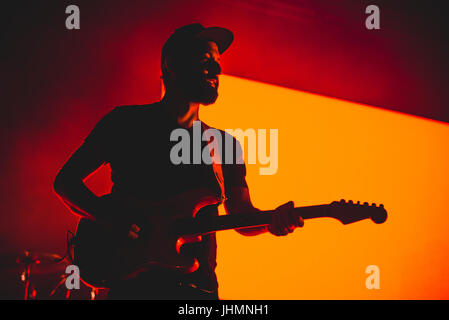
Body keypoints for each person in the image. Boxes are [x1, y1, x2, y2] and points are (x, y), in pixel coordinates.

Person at [53, 23, 304, 300]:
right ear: (172, 65)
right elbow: (66, 181)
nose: (217, 71)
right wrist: (108, 217)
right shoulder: (124, 123)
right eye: (205, 61)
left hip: (199, 290)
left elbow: (240, 215)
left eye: (218, 62)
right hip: (135, 288)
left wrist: (272, 221)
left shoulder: (225, 144)